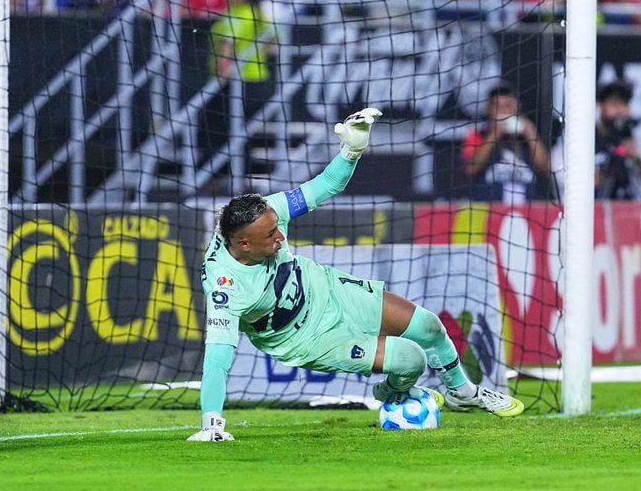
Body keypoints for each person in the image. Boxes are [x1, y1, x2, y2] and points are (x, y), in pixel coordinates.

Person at [188, 108, 524, 442]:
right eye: (271, 235)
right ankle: (392, 391)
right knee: (411, 360)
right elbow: (217, 359)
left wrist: (352, 150)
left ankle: (462, 391)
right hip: (306, 338)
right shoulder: (226, 286)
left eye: (278, 228)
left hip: (324, 289)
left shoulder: (266, 210)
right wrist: (212, 423)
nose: (281, 236)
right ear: (243, 244)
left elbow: (327, 185)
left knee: (428, 326)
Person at [462, 84, 552, 204]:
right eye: (498, 106)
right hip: (490, 211)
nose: (504, 111)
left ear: (518, 107)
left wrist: (531, 135)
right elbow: (471, 169)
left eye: (508, 105)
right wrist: (494, 135)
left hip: (529, 211)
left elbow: (546, 170)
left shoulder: (529, 136)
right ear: (488, 109)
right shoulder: (478, 134)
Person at [593, 80, 641, 202]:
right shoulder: (587, 135)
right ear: (600, 105)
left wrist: (638, 159)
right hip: (597, 208)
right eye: (614, 104)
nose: (620, 110)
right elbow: (559, 173)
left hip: (636, 208)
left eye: (624, 103)